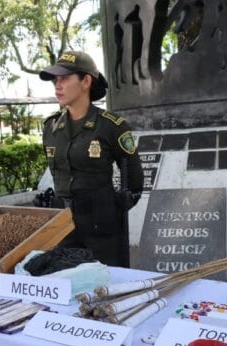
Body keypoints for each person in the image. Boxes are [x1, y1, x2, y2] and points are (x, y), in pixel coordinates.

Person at [39, 51, 144, 267]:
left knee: (107, 280)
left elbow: (134, 181)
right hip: (63, 226)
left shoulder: (110, 125)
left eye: (65, 78)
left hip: (101, 228)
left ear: (86, 81)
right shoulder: (51, 127)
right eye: (56, 80)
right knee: (67, 279)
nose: (58, 86)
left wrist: (112, 208)